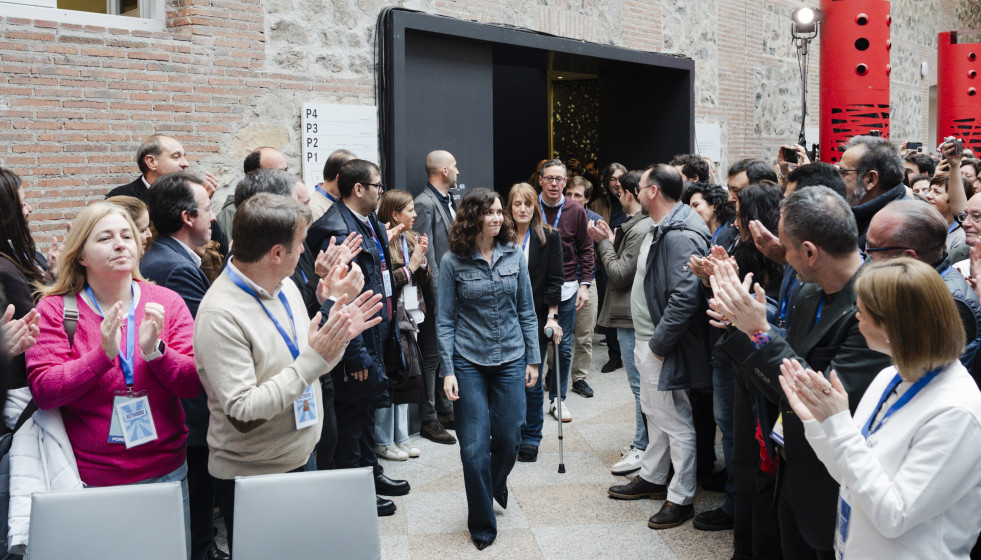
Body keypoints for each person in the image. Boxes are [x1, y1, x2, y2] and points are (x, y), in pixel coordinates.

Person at [709, 186, 892, 559]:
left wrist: (757, 331)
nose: (782, 256)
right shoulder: (809, 293)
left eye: (786, 247)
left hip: (834, 479)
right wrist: (742, 325)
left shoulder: (876, 306)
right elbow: (785, 365)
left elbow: (821, 393)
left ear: (809, 252)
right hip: (789, 462)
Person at [194, 193, 382, 546]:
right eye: (299, 246)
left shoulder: (285, 287)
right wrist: (316, 357)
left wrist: (336, 336)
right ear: (277, 253)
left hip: (299, 453)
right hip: (255, 474)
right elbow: (243, 411)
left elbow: (309, 361)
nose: (305, 255)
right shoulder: (220, 314)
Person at [26, 202, 202, 559]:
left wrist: (156, 352)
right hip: (92, 479)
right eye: (105, 238)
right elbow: (45, 390)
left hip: (166, 473)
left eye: (127, 236)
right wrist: (101, 356)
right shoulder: (56, 310)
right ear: (81, 256)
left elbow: (193, 383)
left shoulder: (164, 301)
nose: (121, 244)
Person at [779, 258, 981, 560]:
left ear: (897, 325)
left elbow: (894, 516)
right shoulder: (891, 374)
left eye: (863, 310)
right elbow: (852, 476)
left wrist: (838, 425)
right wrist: (818, 425)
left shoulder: (957, 411)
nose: (856, 316)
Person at [606, 164, 711, 530]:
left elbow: (686, 296)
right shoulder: (661, 224)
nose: (634, 190)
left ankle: (680, 497)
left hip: (659, 341)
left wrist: (659, 346)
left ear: (652, 191)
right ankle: (652, 477)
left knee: (674, 418)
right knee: (654, 412)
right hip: (648, 336)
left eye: (641, 185)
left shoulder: (680, 233)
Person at [306, 159, 411, 513]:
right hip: (356, 341)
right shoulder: (336, 231)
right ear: (359, 189)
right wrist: (354, 356)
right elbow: (338, 297)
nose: (382, 191)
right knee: (351, 418)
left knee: (367, 410)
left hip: (376, 330)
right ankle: (355, 491)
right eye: (378, 186)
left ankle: (371, 472)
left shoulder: (371, 223)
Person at [438, 188, 539, 550]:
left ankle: (495, 482)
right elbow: (445, 320)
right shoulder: (453, 262)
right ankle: (482, 523)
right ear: (473, 218)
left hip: (512, 356)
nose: (498, 218)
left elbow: (527, 311)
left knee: (512, 437)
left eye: (500, 212)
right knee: (473, 448)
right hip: (468, 361)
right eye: (490, 212)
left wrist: (533, 359)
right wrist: (448, 369)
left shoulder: (514, 256)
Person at [139, 172, 223, 560]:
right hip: (188, 412)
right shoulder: (174, 268)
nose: (213, 217)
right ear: (188, 217)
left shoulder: (174, 259)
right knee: (197, 510)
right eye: (207, 209)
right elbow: (197, 346)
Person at [587, 170, 652, 475]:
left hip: (630, 316)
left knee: (639, 387)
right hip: (631, 314)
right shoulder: (638, 227)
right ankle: (643, 442)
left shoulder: (638, 230)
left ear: (629, 194)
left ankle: (642, 447)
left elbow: (619, 275)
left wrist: (603, 243)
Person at [507, 182, 563, 463]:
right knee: (508, 380)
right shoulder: (500, 238)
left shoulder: (549, 237)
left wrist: (552, 316)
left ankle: (531, 437)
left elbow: (555, 280)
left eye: (527, 204)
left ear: (535, 207)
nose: (522, 209)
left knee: (531, 378)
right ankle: (510, 433)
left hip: (537, 318)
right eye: (517, 203)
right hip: (504, 319)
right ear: (510, 207)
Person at [374, 189, 429, 461]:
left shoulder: (411, 238)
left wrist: (422, 262)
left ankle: (402, 436)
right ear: (394, 214)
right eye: (409, 210)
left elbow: (423, 280)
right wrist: (412, 265)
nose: (415, 214)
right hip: (388, 318)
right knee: (389, 376)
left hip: (410, 316)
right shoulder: (383, 241)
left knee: (406, 374)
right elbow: (383, 281)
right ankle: (383, 440)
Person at [538, 159, 593, 421]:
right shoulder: (530, 207)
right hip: (534, 288)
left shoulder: (575, 210)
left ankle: (557, 399)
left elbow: (585, 248)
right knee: (533, 345)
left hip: (568, 287)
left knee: (563, 345)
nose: (554, 184)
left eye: (559, 179)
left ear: (565, 182)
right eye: (549, 178)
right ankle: (530, 398)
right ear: (540, 180)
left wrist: (585, 284)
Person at [412, 150, 460, 444]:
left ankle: (445, 409)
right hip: (436, 296)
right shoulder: (424, 203)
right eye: (454, 167)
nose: (458, 171)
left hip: (450, 293)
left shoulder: (445, 200)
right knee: (430, 355)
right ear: (443, 170)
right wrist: (435, 299)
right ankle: (429, 419)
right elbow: (425, 256)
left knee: (444, 354)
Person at [0, 167, 42, 429]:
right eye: (22, 203)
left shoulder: (11, 256)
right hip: (20, 392)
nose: (28, 210)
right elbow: (39, 327)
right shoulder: (5, 272)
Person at [564, 175, 601, 398]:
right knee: (556, 333)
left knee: (584, 335)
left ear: (587, 199)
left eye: (577, 195)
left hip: (587, 282)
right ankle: (553, 371)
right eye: (568, 194)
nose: (572, 198)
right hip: (562, 283)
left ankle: (579, 377)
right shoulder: (556, 215)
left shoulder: (594, 220)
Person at [681, 182, 735, 246]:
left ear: (715, 205)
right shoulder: (699, 239)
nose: (691, 212)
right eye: (690, 208)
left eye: (696, 205)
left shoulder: (730, 234)